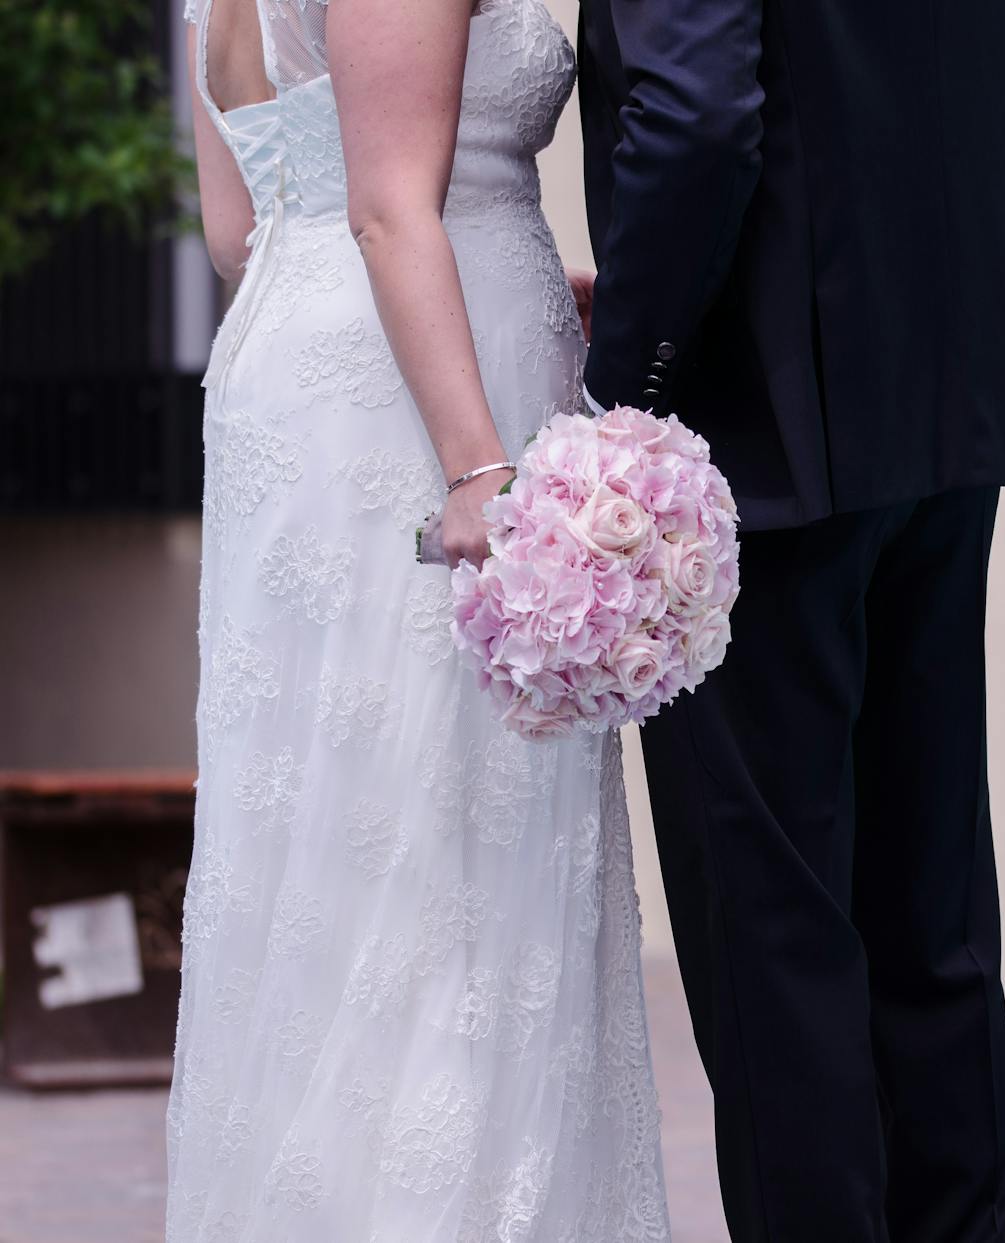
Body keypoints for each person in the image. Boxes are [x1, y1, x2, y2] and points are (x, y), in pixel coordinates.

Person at [578, 0, 1005, 1238]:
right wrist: (971, 324)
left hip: (749, 448)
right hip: (948, 420)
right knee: (929, 901)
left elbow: (697, 114)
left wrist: (622, 400)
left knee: (773, 926)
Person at [166, 0, 669, 1238]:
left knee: (338, 839)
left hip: (307, 378)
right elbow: (393, 207)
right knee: (442, 845)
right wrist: (478, 467)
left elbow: (244, 230)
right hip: (419, 416)